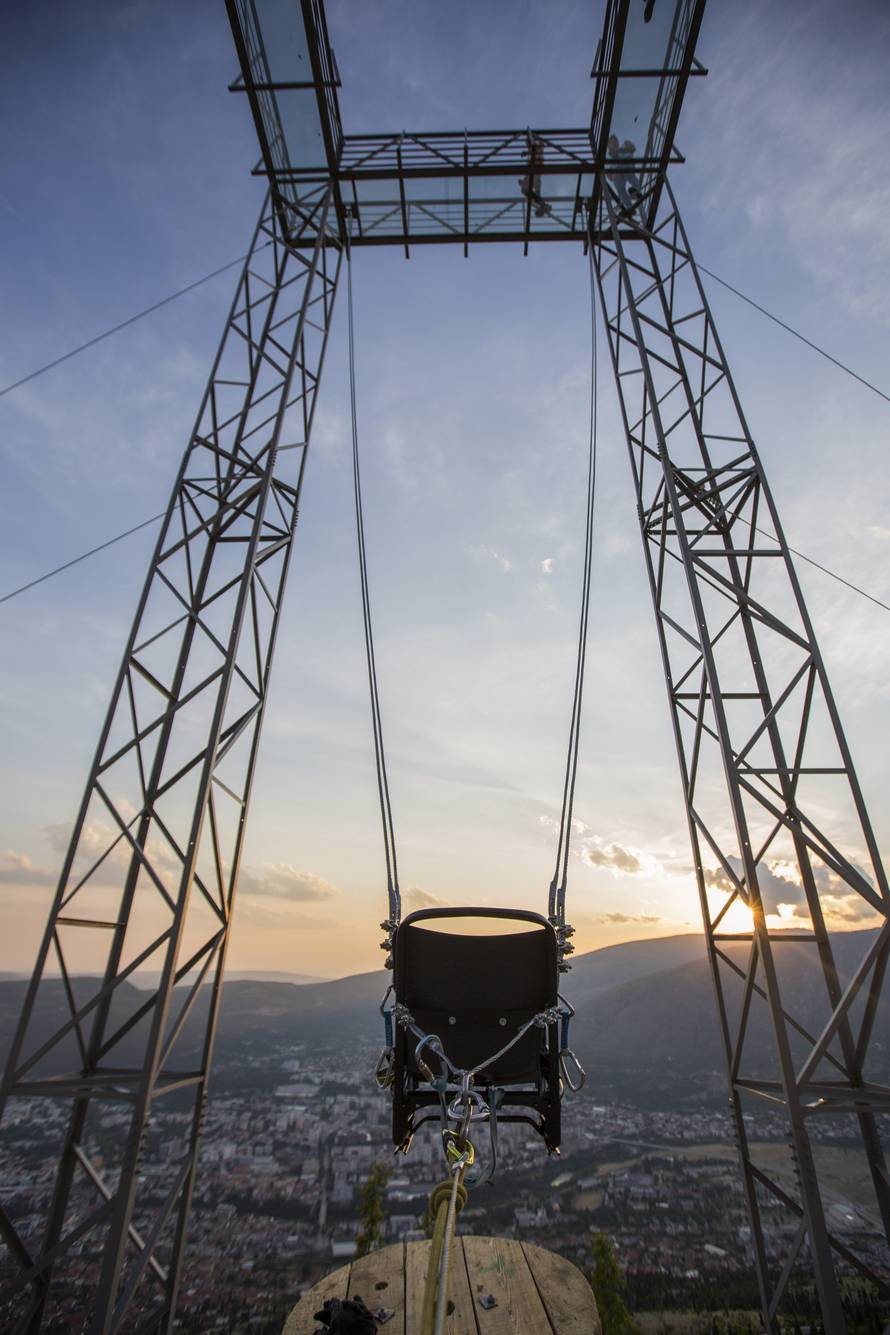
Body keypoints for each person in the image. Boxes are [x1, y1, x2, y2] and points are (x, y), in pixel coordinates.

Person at [518, 134, 552, 218]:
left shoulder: (535, 149)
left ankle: (541, 205)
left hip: (535, 173)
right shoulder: (535, 150)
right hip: (536, 174)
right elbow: (537, 151)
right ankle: (541, 205)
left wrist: (527, 152)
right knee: (533, 192)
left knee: (525, 190)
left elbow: (536, 151)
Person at [606, 134, 641, 213]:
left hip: (627, 165)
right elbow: (610, 177)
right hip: (618, 172)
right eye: (611, 142)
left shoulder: (625, 144)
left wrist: (619, 151)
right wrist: (611, 174)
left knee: (629, 174)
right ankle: (630, 207)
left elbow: (632, 148)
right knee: (620, 189)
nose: (614, 143)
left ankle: (636, 190)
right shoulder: (611, 163)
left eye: (615, 141)